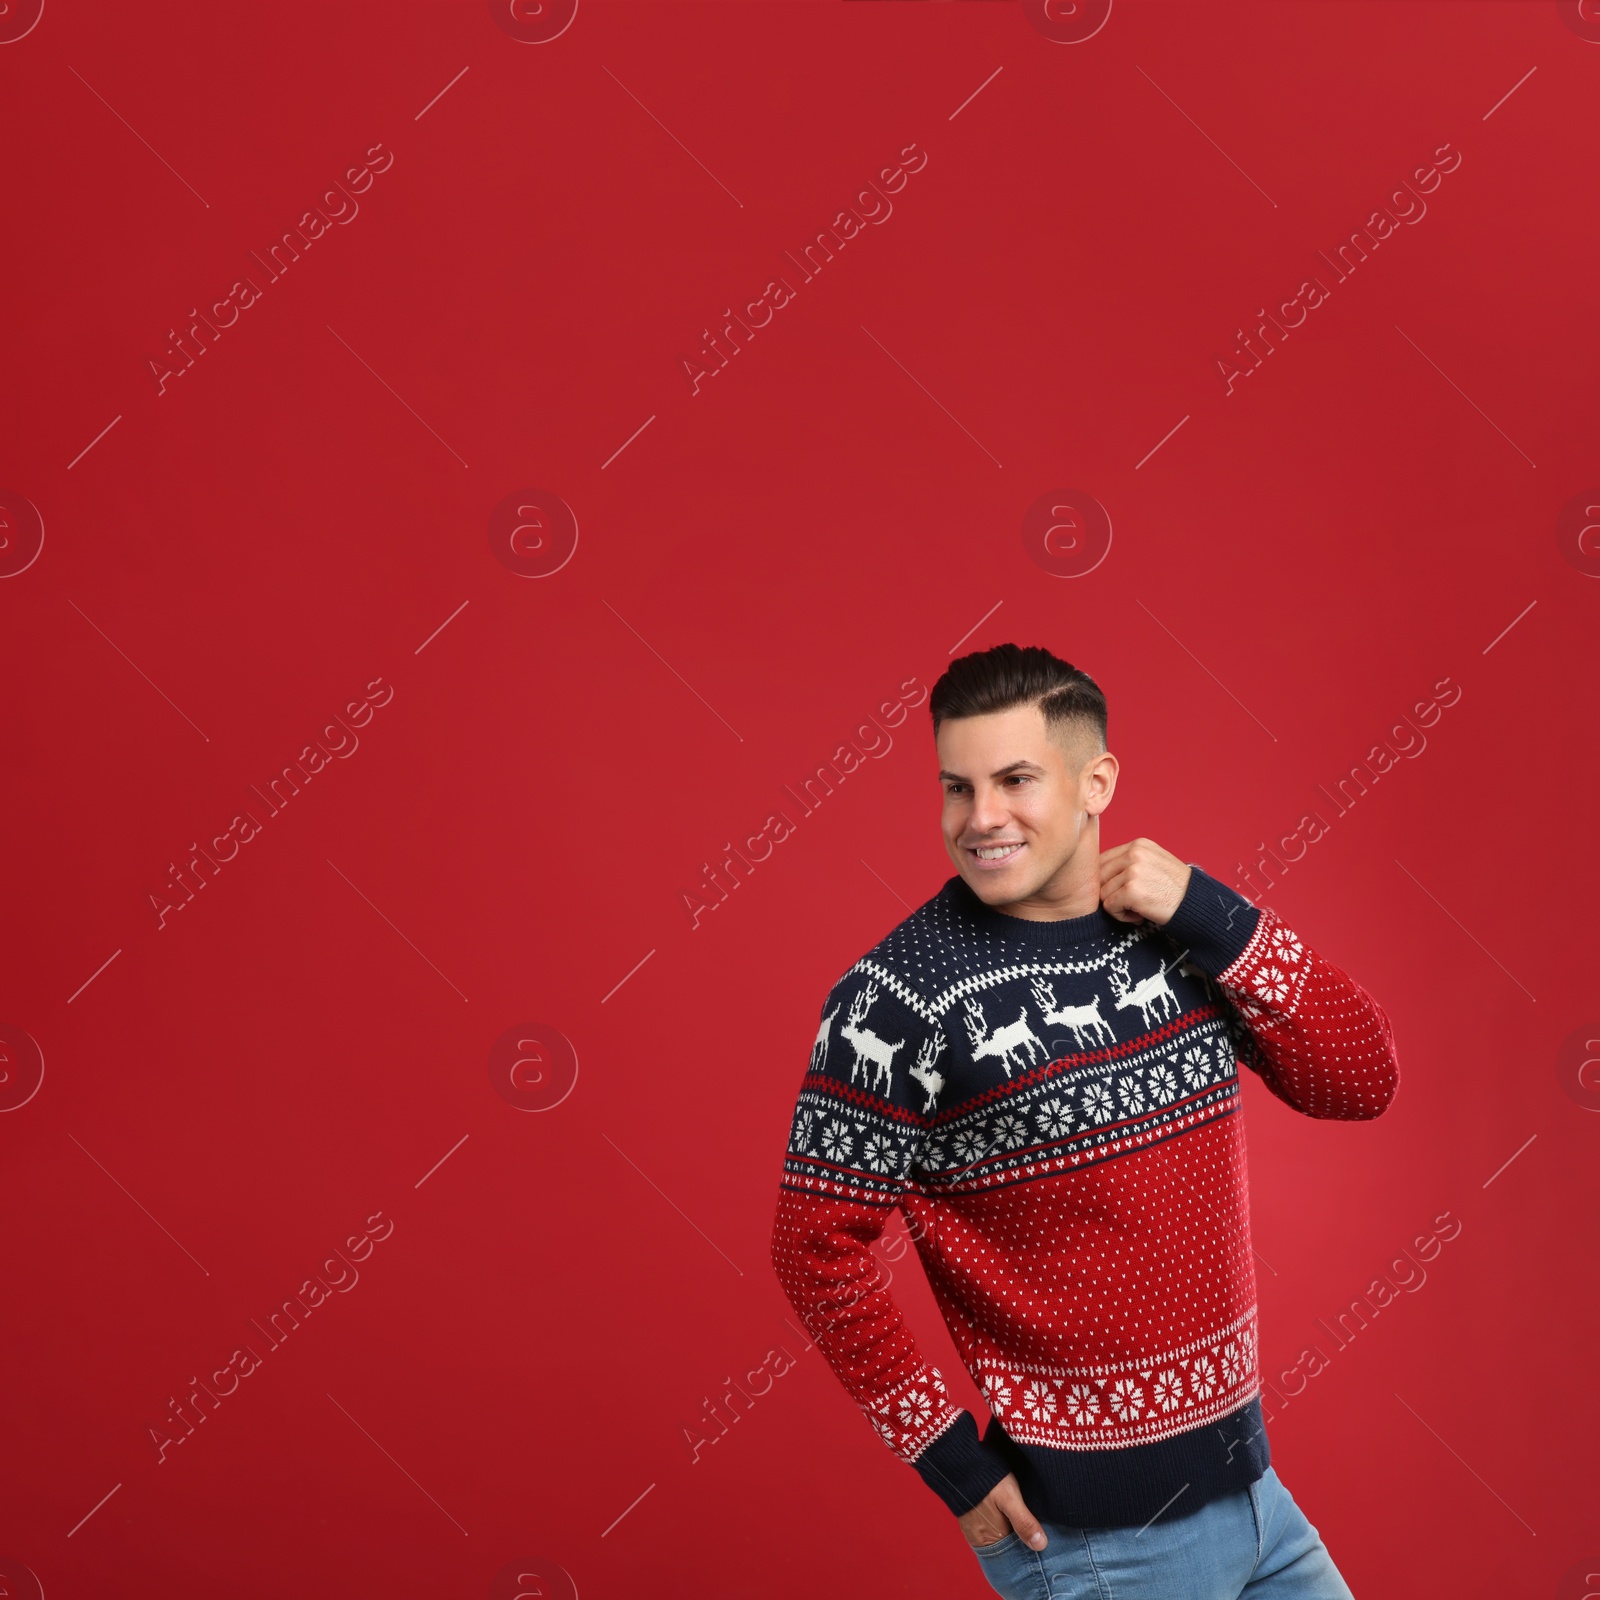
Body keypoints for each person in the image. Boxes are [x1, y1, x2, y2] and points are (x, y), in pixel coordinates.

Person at [768, 643, 1399, 1598]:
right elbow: (810, 1244)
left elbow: (1361, 1078)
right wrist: (956, 1469)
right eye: (956, 787)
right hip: (1102, 1546)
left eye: (1015, 780)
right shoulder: (897, 999)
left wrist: (1211, 910)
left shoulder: (1182, 936)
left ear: (1096, 780)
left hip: (1256, 1492)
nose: (981, 819)